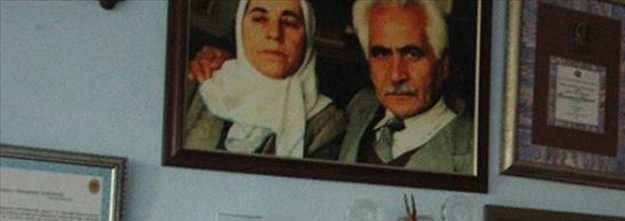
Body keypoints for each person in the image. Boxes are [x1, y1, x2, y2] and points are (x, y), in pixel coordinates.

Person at [184, 0, 345, 158]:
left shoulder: (327, 125)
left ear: (307, 36)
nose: (274, 34)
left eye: (289, 23)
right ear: (241, 29)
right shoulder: (198, 82)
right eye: (259, 19)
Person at [337, 0, 473, 173]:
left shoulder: (472, 154)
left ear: (444, 65)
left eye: (412, 54)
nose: (396, 75)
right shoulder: (359, 107)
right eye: (381, 54)